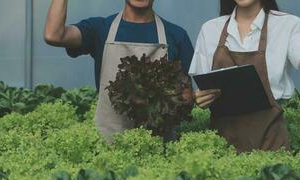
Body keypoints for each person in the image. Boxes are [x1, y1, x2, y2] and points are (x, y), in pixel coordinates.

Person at [189, 0, 300, 152]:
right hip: (220, 147)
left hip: (271, 142)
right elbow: (202, 89)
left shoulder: (287, 25)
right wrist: (200, 98)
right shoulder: (210, 29)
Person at [44, 0, 194, 144]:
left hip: (160, 147)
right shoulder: (100, 29)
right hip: (108, 144)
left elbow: (186, 96)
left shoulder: (176, 36)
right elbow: (54, 35)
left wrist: (189, 98)